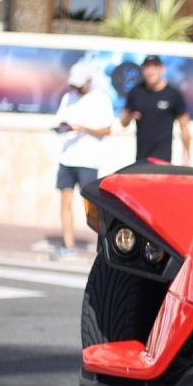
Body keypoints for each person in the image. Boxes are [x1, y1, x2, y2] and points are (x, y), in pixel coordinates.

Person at [53, 61, 113, 258]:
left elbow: (107, 130)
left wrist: (84, 128)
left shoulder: (101, 99)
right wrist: (64, 127)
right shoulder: (68, 97)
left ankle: (102, 247)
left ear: (89, 81)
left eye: (80, 84)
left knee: (91, 204)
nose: (76, 88)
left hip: (88, 159)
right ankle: (68, 245)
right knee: (65, 199)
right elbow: (61, 121)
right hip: (67, 157)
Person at [121, 55, 191, 164]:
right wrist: (129, 116)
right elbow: (124, 123)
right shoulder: (136, 92)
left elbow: (184, 127)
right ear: (143, 70)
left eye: (155, 67)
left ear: (162, 69)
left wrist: (187, 155)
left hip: (163, 159)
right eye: (147, 67)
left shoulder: (173, 94)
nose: (151, 71)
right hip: (141, 159)